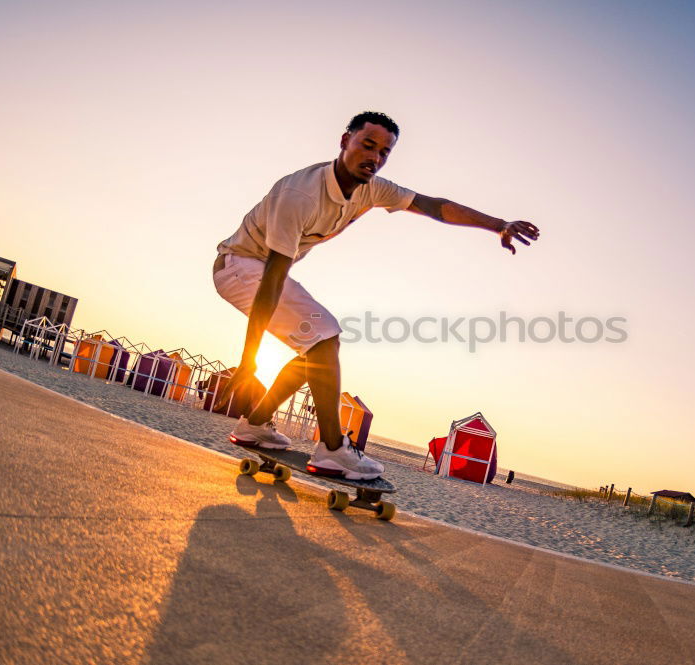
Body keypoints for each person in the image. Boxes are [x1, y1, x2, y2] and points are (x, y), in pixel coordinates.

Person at [213, 111, 539, 480]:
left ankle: (255, 424)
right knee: (324, 340)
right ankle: (333, 449)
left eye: (385, 152)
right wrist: (248, 359)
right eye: (367, 145)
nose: (375, 158)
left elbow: (433, 206)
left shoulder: (373, 189)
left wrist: (498, 225)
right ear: (344, 141)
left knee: (320, 349)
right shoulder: (299, 194)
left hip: (261, 270)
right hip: (240, 267)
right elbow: (272, 280)